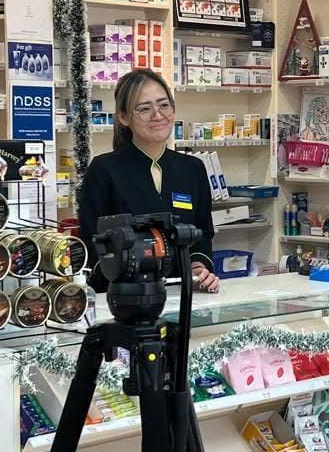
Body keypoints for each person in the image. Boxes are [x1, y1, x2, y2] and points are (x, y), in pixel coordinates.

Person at [77, 69, 221, 293]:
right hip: (125, 298)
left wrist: (198, 267)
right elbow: (91, 243)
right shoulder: (104, 169)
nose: (158, 115)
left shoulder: (192, 168)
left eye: (164, 105)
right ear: (123, 117)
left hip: (183, 294)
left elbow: (203, 234)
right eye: (144, 108)